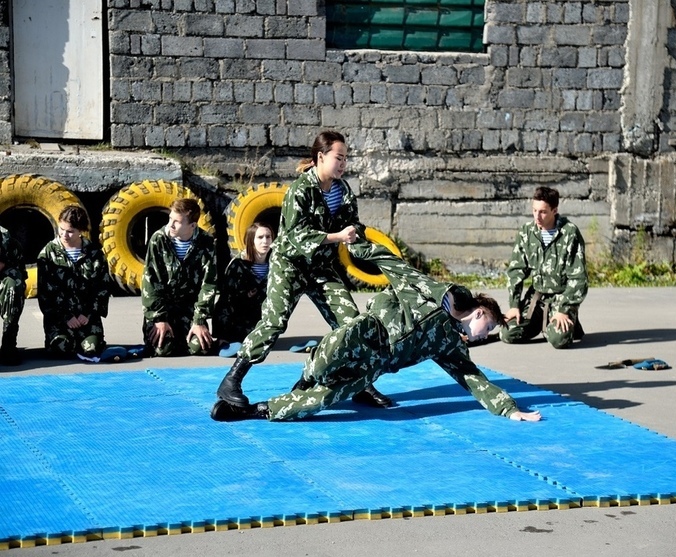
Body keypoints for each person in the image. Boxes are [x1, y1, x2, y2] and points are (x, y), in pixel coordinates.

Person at [210, 247, 541, 422]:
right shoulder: (431, 295)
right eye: (490, 327)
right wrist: (360, 246)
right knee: (323, 364)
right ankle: (308, 374)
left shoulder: (450, 344)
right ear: (481, 312)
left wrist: (508, 409)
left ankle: (251, 412)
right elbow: (395, 265)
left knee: (323, 400)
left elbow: (473, 379)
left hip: (373, 366)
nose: (486, 335)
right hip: (365, 335)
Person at [215, 130, 392, 409]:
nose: (343, 164)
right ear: (320, 157)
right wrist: (336, 237)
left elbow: (353, 224)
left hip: (321, 267)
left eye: (346, 158)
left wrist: (358, 239)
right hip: (290, 265)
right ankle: (231, 382)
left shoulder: (342, 191)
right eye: (338, 157)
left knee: (350, 322)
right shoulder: (300, 190)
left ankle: (361, 384)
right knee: (274, 323)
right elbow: (298, 236)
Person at [499, 186, 588, 349]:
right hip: (537, 298)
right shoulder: (526, 232)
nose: (537, 217)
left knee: (557, 340)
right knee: (507, 334)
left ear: (554, 210)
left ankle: (569, 322)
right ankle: (541, 323)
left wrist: (564, 308)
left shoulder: (569, 233)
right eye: (534, 211)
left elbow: (578, 278)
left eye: (543, 212)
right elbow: (516, 271)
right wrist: (514, 305)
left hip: (561, 298)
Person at [141, 198, 217, 357]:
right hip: (164, 309)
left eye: (177, 221)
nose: (171, 225)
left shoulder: (206, 243)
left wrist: (199, 321)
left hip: (190, 309)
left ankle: (184, 338)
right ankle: (173, 338)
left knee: (200, 348)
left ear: (192, 226)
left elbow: (208, 285)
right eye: (170, 219)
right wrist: (159, 318)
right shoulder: (158, 240)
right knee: (163, 349)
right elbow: (150, 282)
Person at [37, 205, 111, 358]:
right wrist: (66, 316)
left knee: (92, 349)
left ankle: (87, 340)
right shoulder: (48, 253)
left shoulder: (94, 254)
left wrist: (88, 313)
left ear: (81, 231)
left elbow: (102, 288)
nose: (64, 235)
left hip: (87, 319)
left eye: (70, 231)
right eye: (61, 229)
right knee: (61, 349)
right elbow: (46, 293)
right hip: (60, 320)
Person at [213, 222, 273, 353]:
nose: (265, 241)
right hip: (237, 319)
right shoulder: (238, 265)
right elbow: (225, 300)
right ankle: (225, 339)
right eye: (260, 237)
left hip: (260, 320)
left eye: (268, 237)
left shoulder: (276, 264)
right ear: (251, 241)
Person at [0, 225, 26, 365]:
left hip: (3, 284)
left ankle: (8, 344)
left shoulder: (9, 242)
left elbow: (21, 277)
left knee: (14, 282)